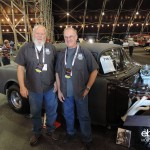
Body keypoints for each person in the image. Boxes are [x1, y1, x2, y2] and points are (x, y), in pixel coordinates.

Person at [15, 24, 59, 146]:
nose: (40, 36)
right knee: (35, 112)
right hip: (33, 89)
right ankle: (37, 132)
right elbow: (20, 68)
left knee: (52, 110)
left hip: (50, 88)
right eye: (37, 33)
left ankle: (51, 130)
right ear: (33, 34)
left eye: (42, 34)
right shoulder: (25, 48)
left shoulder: (51, 48)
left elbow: (56, 67)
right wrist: (22, 86)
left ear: (46, 35)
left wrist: (56, 81)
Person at [55, 27, 99, 149]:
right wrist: (59, 90)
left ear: (76, 37)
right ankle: (70, 133)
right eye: (66, 37)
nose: (68, 39)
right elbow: (57, 73)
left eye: (71, 36)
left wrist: (88, 88)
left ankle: (87, 138)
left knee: (83, 116)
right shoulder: (61, 54)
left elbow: (94, 71)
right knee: (68, 114)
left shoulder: (84, 52)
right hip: (65, 92)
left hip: (81, 93)